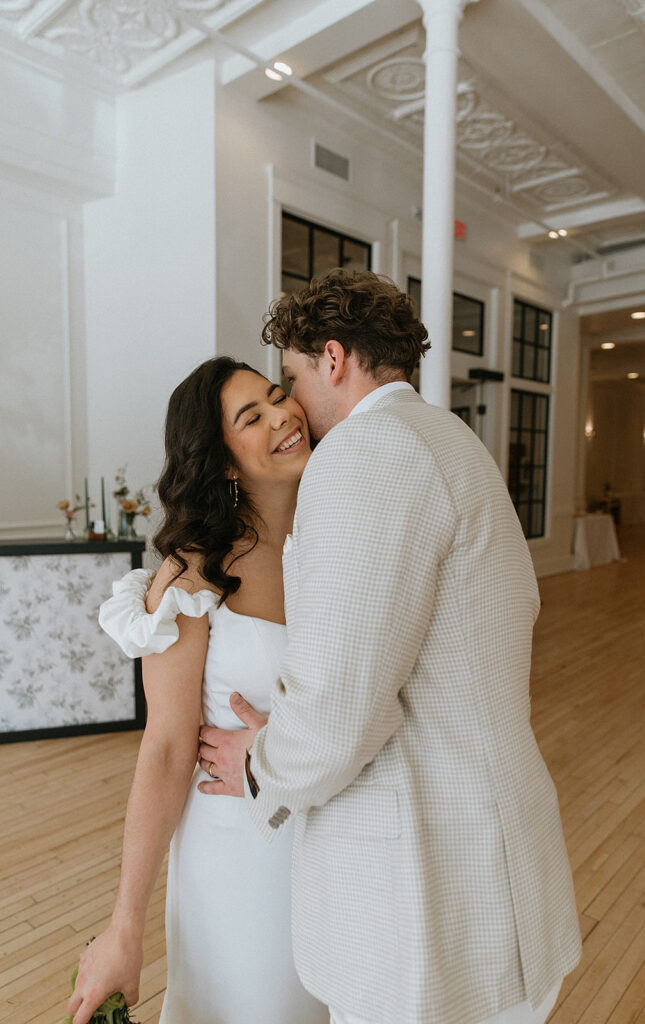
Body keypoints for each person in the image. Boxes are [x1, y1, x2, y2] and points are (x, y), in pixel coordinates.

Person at [197, 269, 582, 1024]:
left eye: (292, 378)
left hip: (427, 897)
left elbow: (339, 704)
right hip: (499, 857)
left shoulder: (363, 456)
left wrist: (260, 764)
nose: (292, 404)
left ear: (332, 359)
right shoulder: (450, 437)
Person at [65, 357, 328, 1024]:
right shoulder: (192, 576)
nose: (282, 418)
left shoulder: (340, 540)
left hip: (338, 834)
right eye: (252, 417)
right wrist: (126, 925)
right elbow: (163, 751)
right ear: (225, 463)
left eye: (277, 398)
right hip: (240, 857)